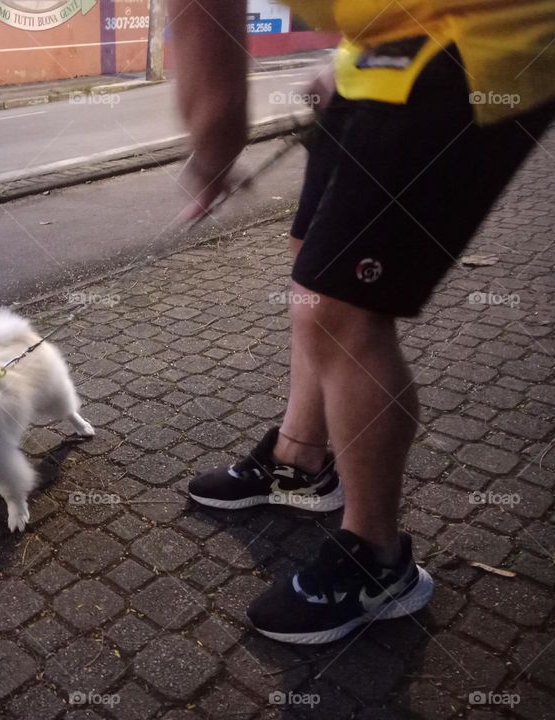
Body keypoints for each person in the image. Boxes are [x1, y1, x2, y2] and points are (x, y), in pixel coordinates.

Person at [173, 0, 555, 644]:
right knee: (310, 268)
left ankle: (377, 562)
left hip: (478, 44)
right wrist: (354, 50)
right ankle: (301, 462)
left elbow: (202, 16)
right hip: (384, 51)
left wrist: (213, 144)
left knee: (343, 308)